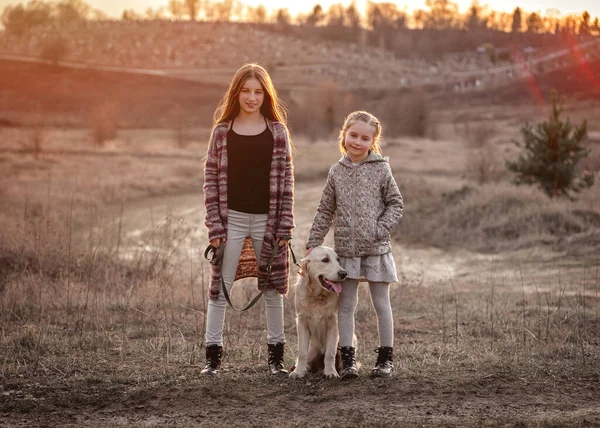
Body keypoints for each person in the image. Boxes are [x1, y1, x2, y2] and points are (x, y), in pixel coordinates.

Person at [202, 63, 295, 376]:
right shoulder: (222, 132)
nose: (252, 97)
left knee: (272, 289)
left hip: (268, 223)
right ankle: (212, 361)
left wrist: (284, 226)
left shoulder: (277, 132)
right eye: (246, 91)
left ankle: (276, 360)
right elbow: (211, 179)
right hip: (233, 222)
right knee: (219, 290)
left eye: (258, 91)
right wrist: (215, 227)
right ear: (236, 93)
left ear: (265, 94)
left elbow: (287, 180)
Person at [306, 110, 403, 379]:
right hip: (346, 252)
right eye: (353, 135)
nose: (357, 142)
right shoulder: (336, 171)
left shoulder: (381, 168)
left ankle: (385, 360)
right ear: (344, 135)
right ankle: (348, 360)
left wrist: (379, 229)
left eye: (364, 138)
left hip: (376, 249)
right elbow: (325, 209)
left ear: (373, 141)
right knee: (346, 306)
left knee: (381, 303)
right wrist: (313, 242)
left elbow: (396, 203)